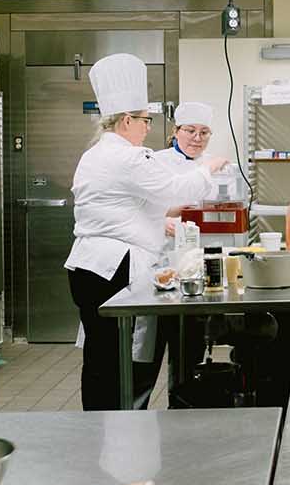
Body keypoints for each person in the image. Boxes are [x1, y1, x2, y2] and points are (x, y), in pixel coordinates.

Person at [67, 54, 231, 411]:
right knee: (113, 360)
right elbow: (177, 191)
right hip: (113, 268)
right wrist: (209, 169)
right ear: (127, 120)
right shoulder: (130, 157)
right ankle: (111, 430)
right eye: (144, 120)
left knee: (100, 357)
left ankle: (98, 430)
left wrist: (161, 223)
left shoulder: (95, 154)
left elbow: (120, 210)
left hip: (87, 265)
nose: (146, 126)